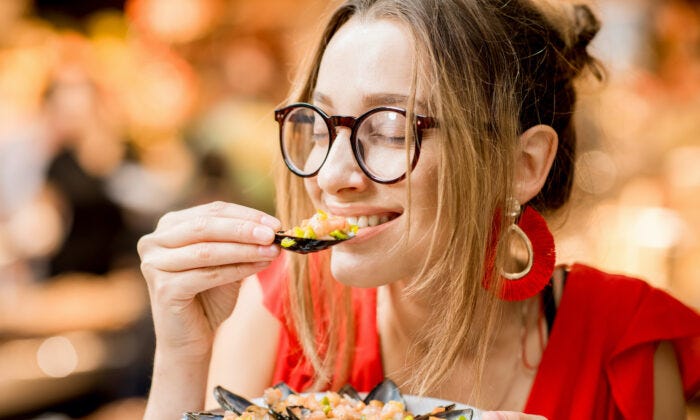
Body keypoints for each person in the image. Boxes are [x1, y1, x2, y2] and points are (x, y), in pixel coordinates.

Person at [137, 1, 700, 419]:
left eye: (388, 129)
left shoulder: (626, 349)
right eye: (321, 124)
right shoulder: (273, 314)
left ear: (522, 165)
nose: (332, 176)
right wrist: (183, 355)